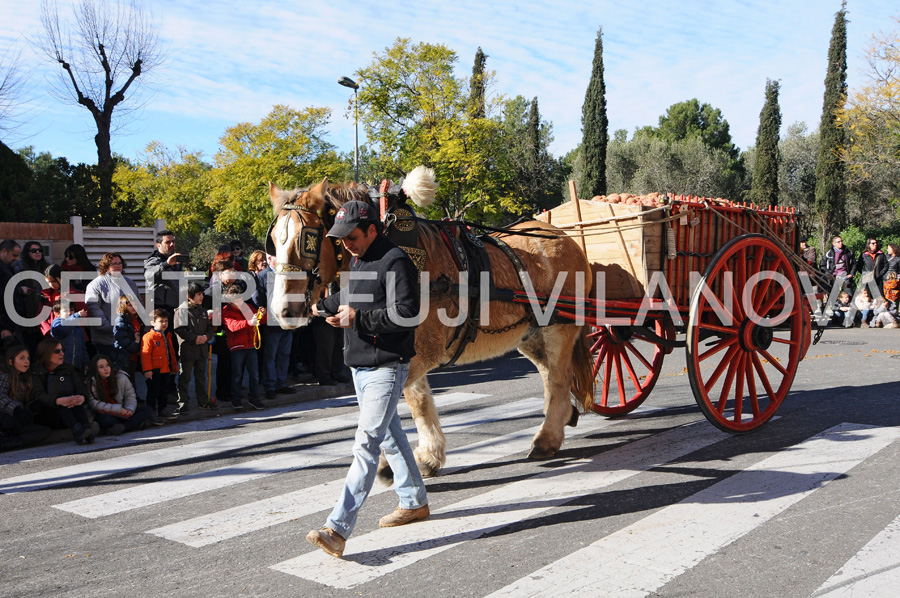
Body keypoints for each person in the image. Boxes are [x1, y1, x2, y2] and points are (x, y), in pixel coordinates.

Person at [306, 200, 427, 559]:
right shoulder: (361, 259)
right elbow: (354, 294)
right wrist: (324, 306)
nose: (347, 245)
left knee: (367, 444)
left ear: (372, 229)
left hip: (386, 366)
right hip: (361, 365)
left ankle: (337, 529)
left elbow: (408, 314)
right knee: (391, 437)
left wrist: (356, 319)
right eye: (342, 240)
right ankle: (415, 501)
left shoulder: (396, 261)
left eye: (352, 237)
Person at [30, 337, 98, 444]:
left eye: (63, 350)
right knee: (62, 404)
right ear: (46, 353)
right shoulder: (36, 371)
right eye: (57, 351)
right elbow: (38, 394)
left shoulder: (68, 368)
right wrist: (57, 401)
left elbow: (80, 387)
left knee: (74, 402)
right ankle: (78, 432)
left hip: (69, 410)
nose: (62, 354)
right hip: (47, 413)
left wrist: (81, 397)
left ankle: (86, 429)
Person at [249, 250, 294, 400]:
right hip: (272, 322)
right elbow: (257, 297)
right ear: (270, 259)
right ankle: (270, 386)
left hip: (287, 321)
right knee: (270, 356)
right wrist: (263, 309)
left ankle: (281, 383)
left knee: (284, 354)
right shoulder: (262, 276)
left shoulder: (288, 273)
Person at [85, 252, 141, 358]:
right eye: (114, 263)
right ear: (106, 266)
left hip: (130, 338)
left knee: (128, 371)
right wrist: (112, 328)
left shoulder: (130, 283)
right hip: (106, 340)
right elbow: (94, 309)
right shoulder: (95, 285)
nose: (118, 266)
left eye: (120, 263)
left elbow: (139, 305)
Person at [221, 284, 265, 411]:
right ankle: (236, 399)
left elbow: (259, 320)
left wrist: (262, 314)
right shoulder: (226, 311)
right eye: (236, 299)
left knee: (254, 375)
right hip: (237, 346)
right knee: (237, 375)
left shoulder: (247, 307)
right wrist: (249, 322)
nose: (240, 301)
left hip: (251, 344)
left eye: (240, 298)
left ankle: (254, 398)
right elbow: (232, 326)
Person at [0, 343, 52, 450]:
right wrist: (16, 409)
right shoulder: (4, 376)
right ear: (11, 362)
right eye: (22, 358)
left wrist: (32, 407)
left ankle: (9, 443)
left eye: (28, 358)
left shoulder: (26, 380)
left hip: (16, 424)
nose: (26, 361)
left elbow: (24, 405)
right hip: (4, 419)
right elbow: (1, 397)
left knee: (44, 431)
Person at [174, 282, 215, 413]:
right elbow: (180, 329)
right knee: (185, 377)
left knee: (201, 377)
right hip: (188, 350)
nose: (201, 297)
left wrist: (206, 337)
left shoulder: (202, 311)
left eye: (202, 294)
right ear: (189, 296)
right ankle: (183, 402)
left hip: (202, 350)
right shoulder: (182, 310)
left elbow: (209, 328)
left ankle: (202, 401)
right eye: (198, 294)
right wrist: (195, 338)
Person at [87, 354, 154, 433]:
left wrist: (129, 410)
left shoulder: (120, 376)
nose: (106, 369)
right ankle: (133, 425)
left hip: (124, 411)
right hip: (107, 412)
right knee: (104, 420)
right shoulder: (91, 382)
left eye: (107, 365)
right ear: (95, 369)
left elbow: (130, 396)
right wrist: (119, 410)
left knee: (147, 410)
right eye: (101, 367)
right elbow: (95, 404)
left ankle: (123, 427)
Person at [141, 309, 179, 422]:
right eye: (161, 321)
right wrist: (147, 370)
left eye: (166, 321)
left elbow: (170, 352)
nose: (164, 324)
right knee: (153, 392)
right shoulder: (149, 337)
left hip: (165, 368)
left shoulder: (167, 335)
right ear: (153, 322)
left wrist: (172, 367)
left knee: (164, 391)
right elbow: (145, 355)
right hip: (154, 370)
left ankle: (163, 410)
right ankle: (151, 412)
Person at [14, 241, 48, 355]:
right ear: (27, 252)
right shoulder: (20, 266)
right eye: (34, 250)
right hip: (26, 310)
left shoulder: (45, 267)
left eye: (40, 250)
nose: (37, 252)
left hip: (43, 310)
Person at [50, 300, 89, 373]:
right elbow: (63, 330)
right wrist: (75, 316)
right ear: (58, 313)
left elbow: (82, 347)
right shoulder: (57, 323)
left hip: (77, 366)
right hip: (61, 365)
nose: (69, 313)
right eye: (65, 310)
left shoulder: (78, 328)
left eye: (71, 310)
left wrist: (86, 363)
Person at [113, 295, 143, 379]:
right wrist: (136, 345)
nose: (134, 307)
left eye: (135, 304)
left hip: (135, 357)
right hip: (125, 357)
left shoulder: (136, 319)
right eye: (130, 305)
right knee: (127, 381)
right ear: (123, 306)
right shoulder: (121, 320)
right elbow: (122, 340)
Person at [0, 240, 22, 340]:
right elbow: (6, 298)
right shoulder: (4, 271)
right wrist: (6, 327)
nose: (16, 258)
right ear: (4, 251)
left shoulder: (8, 268)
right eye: (14, 255)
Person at [40, 265, 63, 336]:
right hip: (52, 334)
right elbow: (41, 316)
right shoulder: (48, 295)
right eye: (48, 282)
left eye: (53, 281)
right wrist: (49, 330)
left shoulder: (72, 294)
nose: (51, 285)